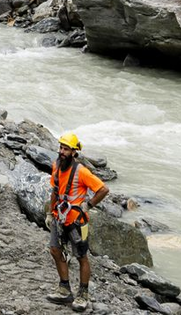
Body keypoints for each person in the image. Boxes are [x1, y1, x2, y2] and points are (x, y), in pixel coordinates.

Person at [46, 132, 109, 310]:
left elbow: (103, 189)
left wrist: (88, 205)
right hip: (59, 218)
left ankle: (83, 294)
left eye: (66, 149)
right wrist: (50, 213)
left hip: (77, 222)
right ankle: (64, 289)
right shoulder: (56, 166)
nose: (62, 152)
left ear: (74, 152)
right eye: (61, 148)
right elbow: (55, 191)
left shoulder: (81, 171)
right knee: (55, 250)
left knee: (81, 256)